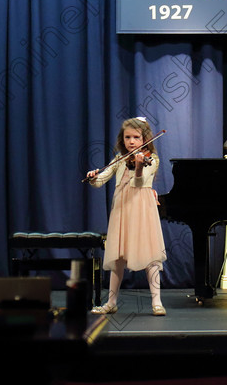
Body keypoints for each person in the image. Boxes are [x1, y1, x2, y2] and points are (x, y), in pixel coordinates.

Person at [86, 117, 167, 316]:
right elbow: (100, 181)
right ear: (122, 139)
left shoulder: (152, 159)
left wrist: (139, 166)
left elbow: (139, 183)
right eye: (127, 137)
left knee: (150, 255)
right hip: (121, 208)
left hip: (141, 208)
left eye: (136, 137)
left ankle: (157, 301)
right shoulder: (119, 159)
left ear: (144, 138)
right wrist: (94, 177)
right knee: (117, 255)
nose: (131, 141)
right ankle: (111, 302)